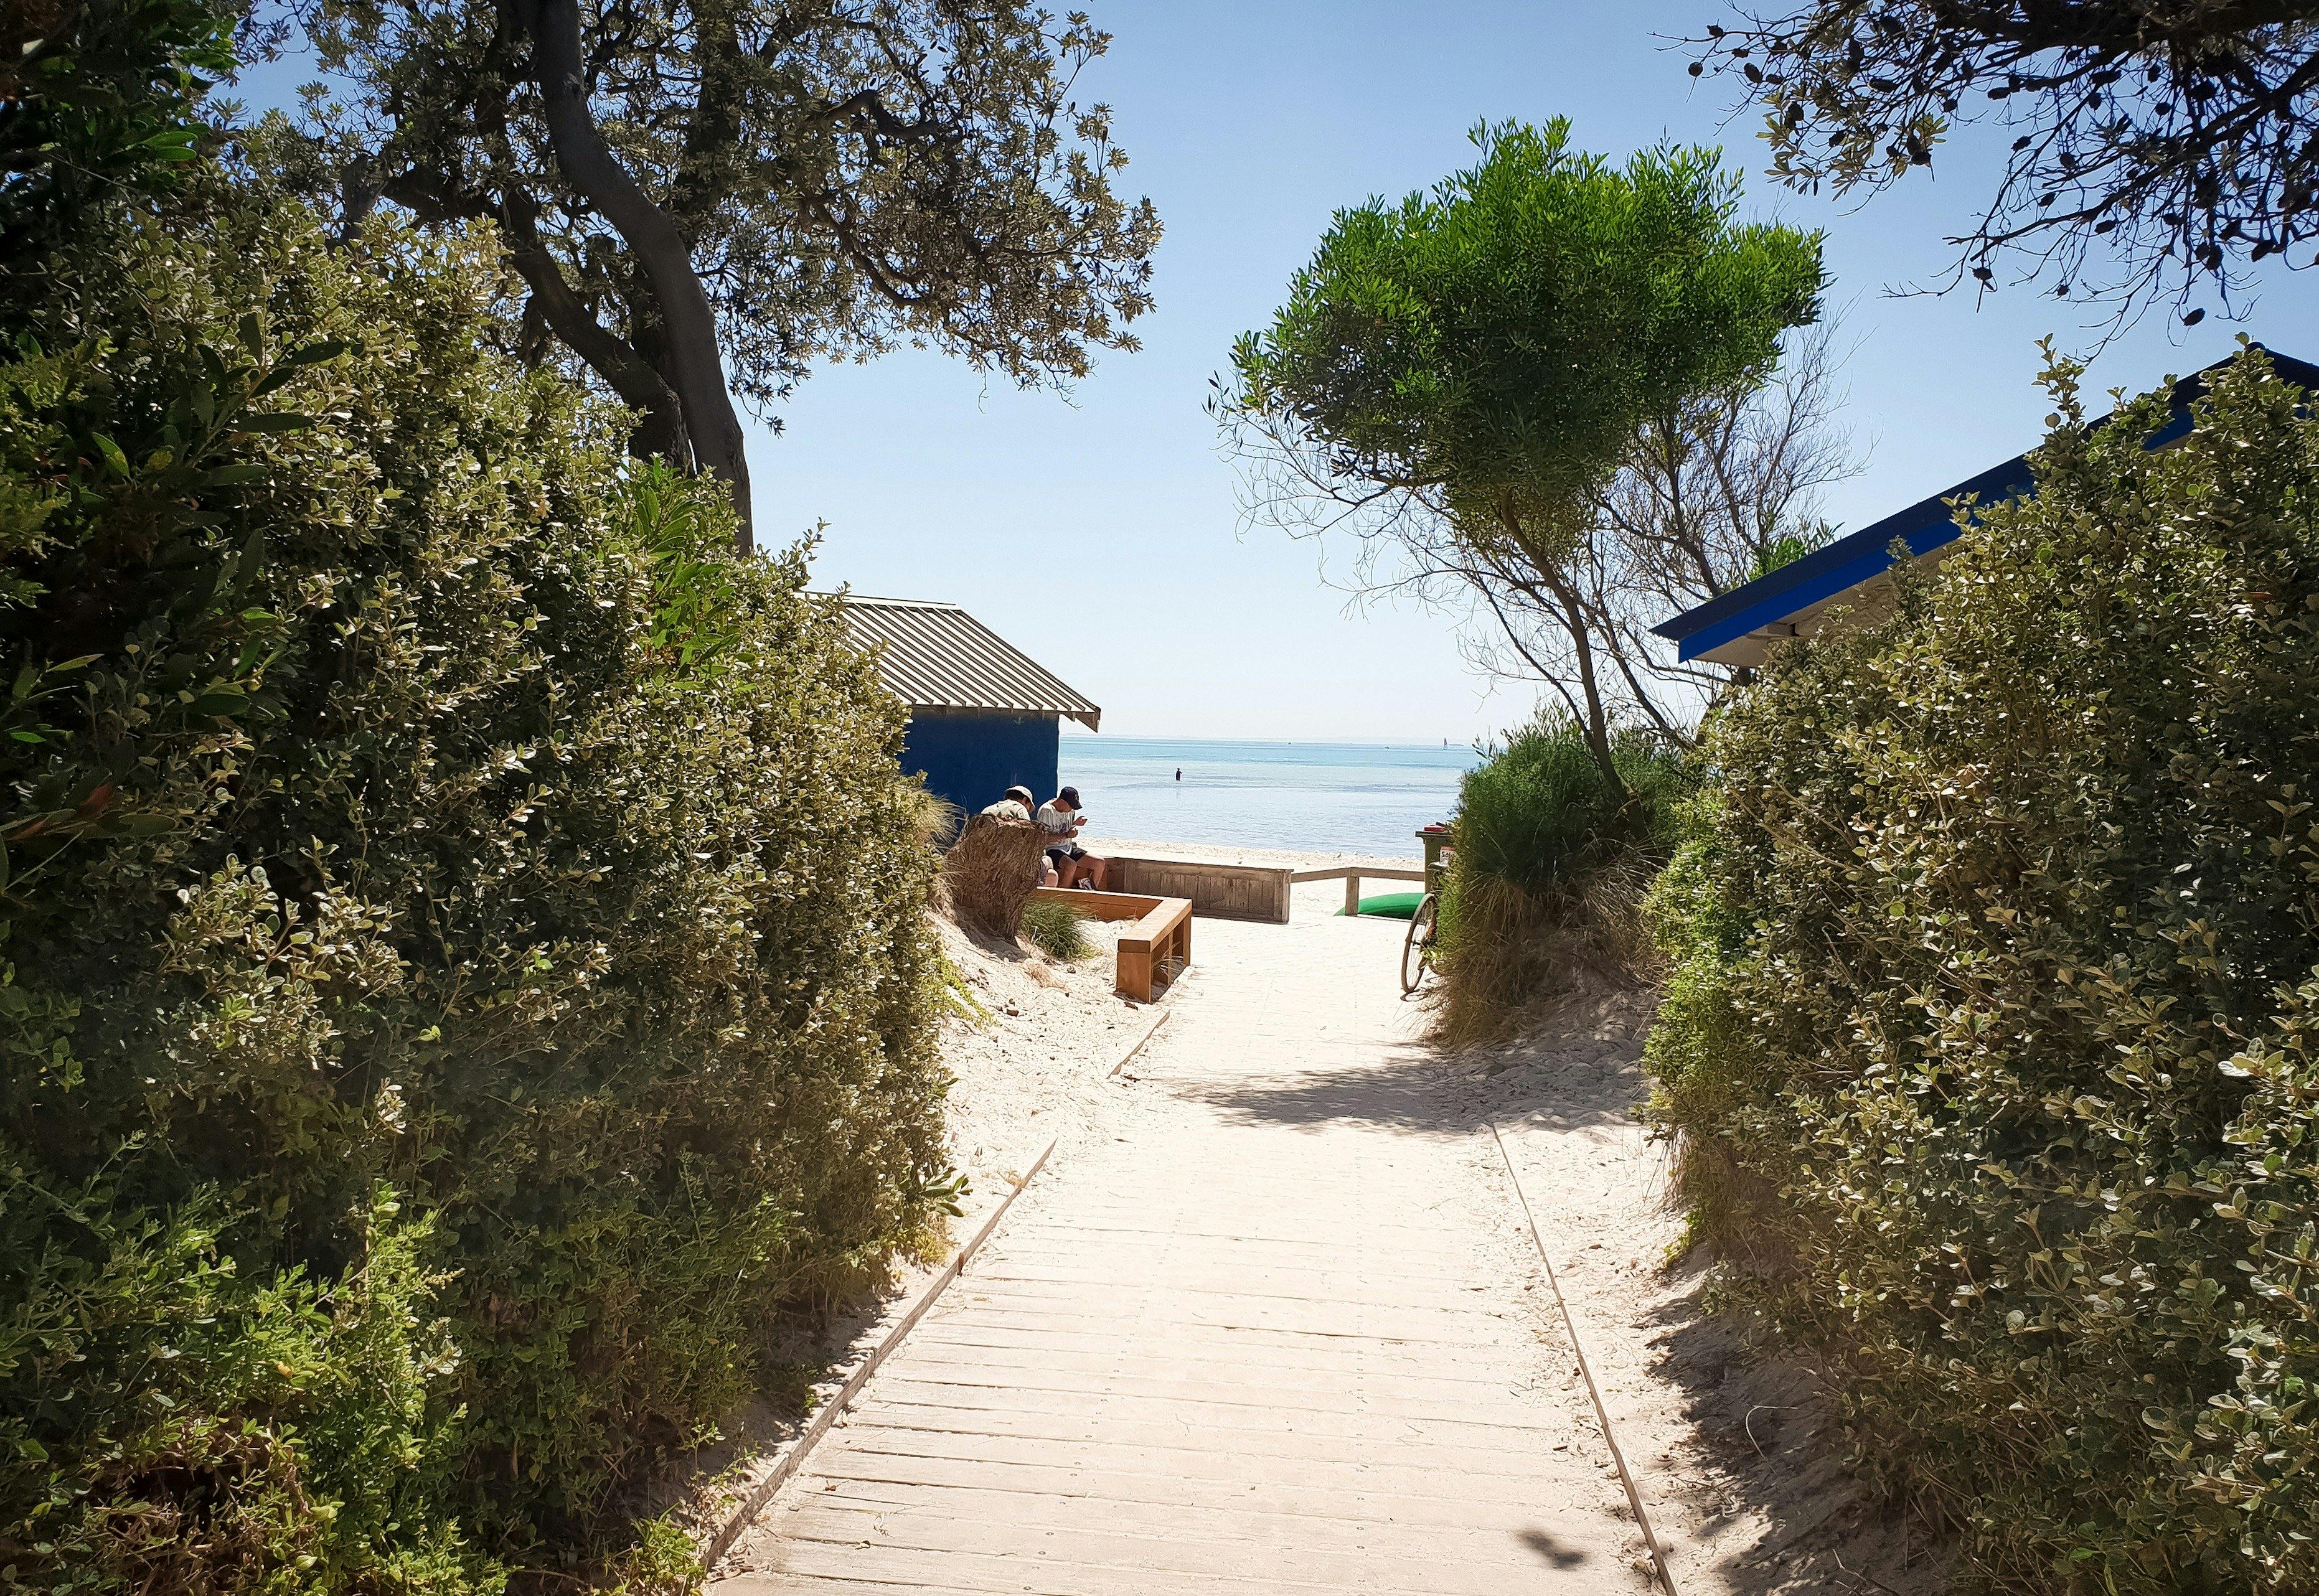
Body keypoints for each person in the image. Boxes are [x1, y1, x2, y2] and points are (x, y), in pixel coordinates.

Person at [1035, 785, 1108, 890]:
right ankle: (1062, 897)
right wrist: (1067, 835)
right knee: (1071, 865)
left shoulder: (1070, 812)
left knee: (1099, 862)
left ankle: (1088, 889)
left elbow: (1064, 827)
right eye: (1071, 806)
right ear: (1063, 801)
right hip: (1051, 849)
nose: (1072, 809)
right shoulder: (1047, 811)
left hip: (1068, 847)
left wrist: (1075, 824)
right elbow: (1043, 838)